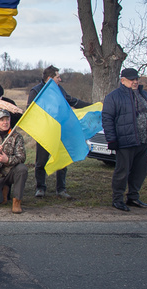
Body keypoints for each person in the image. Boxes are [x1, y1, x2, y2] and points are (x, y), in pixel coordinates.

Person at [28, 65, 89, 199]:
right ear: (50, 78)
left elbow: (71, 100)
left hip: (60, 132)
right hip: (45, 133)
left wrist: (90, 105)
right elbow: (30, 112)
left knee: (62, 160)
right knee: (41, 162)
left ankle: (61, 189)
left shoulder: (59, 90)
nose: (60, 79)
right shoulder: (36, 91)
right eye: (58, 77)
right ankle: (40, 187)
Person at [102, 68, 147, 212]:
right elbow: (107, 119)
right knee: (122, 171)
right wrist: (111, 140)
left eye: (136, 79)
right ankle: (117, 199)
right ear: (123, 80)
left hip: (143, 140)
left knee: (140, 171)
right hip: (125, 140)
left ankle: (133, 197)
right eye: (131, 79)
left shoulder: (144, 95)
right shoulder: (113, 97)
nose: (135, 82)